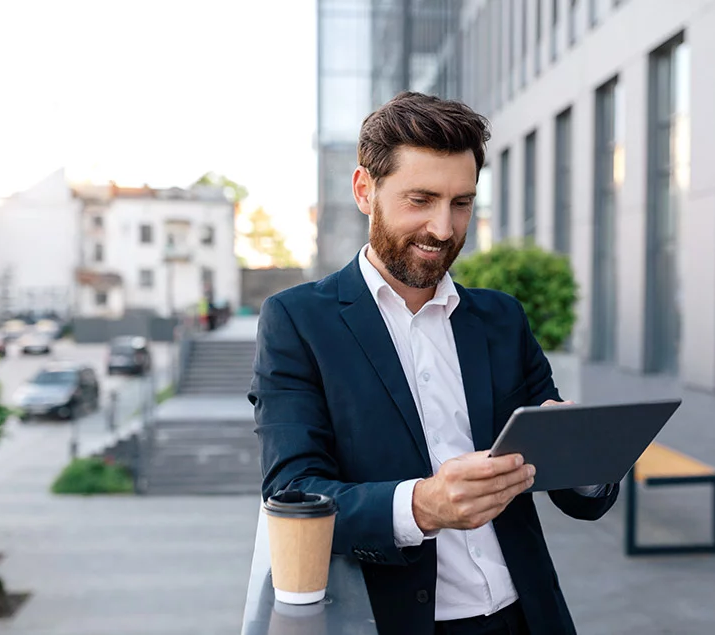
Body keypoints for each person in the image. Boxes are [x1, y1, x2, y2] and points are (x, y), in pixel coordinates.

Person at [249, 91, 619, 635]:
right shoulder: (298, 321)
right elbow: (293, 494)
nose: (444, 229)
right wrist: (422, 506)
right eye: (420, 199)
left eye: (462, 203)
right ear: (363, 191)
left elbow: (580, 497)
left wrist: (581, 456)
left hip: (528, 618)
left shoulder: (501, 319)